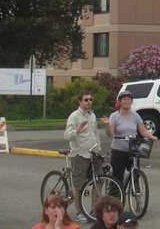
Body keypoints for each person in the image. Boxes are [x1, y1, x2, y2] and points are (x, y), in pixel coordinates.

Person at [104, 92, 157, 185]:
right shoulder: (114, 116)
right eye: (124, 99)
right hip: (118, 150)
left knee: (135, 174)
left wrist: (152, 137)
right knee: (117, 177)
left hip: (133, 150)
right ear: (120, 102)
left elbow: (143, 131)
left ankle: (137, 196)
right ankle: (115, 196)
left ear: (131, 101)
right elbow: (110, 133)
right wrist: (107, 125)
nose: (126, 101)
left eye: (129, 99)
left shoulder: (135, 115)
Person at [63, 91, 101, 222]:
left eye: (90, 99)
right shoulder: (74, 116)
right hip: (80, 154)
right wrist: (77, 131)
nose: (89, 102)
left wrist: (99, 148)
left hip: (94, 153)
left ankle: (94, 211)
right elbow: (67, 135)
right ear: (80, 102)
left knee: (98, 181)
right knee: (78, 185)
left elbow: (95, 134)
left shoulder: (93, 115)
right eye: (86, 100)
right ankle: (79, 212)